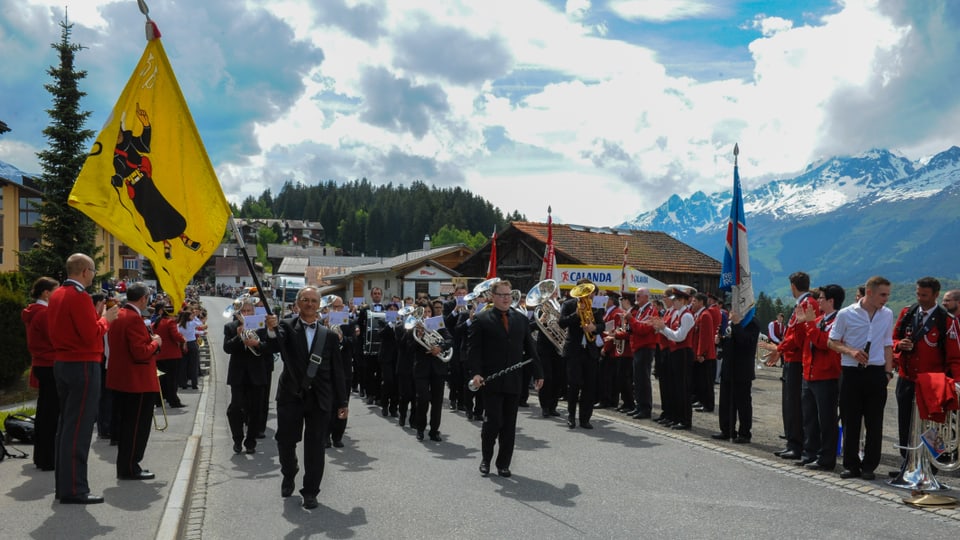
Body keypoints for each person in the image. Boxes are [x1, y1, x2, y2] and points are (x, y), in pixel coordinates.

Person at [47, 254, 119, 504]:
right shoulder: (78, 297)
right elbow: (91, 334)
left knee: (67, 426)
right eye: (93, 270)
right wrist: (106, 320)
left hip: (64, 363)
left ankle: (66, 486)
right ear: (85, 271)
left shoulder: (56, 294)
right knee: (79, 428)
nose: (94, 274)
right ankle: (75, 489)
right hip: (82, 364)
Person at [266, 287, 346, 509]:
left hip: (320, 399)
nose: (310, 304)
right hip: (290, 396)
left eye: (313, 300)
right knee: (285, 442)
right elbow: (272, 347)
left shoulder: (328, 335)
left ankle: (310, 491)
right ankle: (289, 472)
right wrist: (271, 330)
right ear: (298, 303)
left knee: (315, 448)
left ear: (319, 304)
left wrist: (343, 403)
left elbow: (337, 371)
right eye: (305, 300)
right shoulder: (285, 327)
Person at [469, 280, 543, 477]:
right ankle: (486, 459)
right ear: (493, 297)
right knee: (493, 423)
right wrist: (476, 373)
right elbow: (473, 351)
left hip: (514, 380)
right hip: (491, 380)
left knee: (509, 426)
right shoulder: (481, 318)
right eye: (502, 295)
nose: (506, 298)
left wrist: (539, 373)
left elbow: (530, 348)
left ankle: (503, 464)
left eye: (508, 295)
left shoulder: (520, 319)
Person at [888, 278, 960, 477]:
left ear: (936, 295)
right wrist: (898, 346)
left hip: (932, 383)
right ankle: (908, 463)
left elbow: (954, 357)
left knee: (932, 426)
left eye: (924, 295)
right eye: (918, 294)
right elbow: (893, 338)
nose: (920, 299)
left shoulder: (946, 320)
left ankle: (930, 467)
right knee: (905, 423)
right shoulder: (907, 313)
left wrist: (954, 384)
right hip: (907, 378)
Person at [828, 276, 895, 480]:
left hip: (876, 372)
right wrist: (851, 351)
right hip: (851, 372)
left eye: (887, 295)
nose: (886, 299)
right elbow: (832, 342)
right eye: (882, 294)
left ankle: (869, 466)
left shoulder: (887, 314)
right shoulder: (846, 314)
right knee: (851, 420)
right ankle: (851, 465)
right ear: (869, 293)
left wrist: (888, 372)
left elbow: (887, 344)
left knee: (875, 422)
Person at [106, 283, 163, 480]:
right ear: (143, 298)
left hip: (122, 379)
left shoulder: (119, 314)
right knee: (136, 427)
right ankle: (130, 467)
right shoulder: (133, 319)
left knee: (126, 426)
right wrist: (156, 342)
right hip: (137, 381)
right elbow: (140, 353)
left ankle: (127, 466)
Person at [769, 272, 820, 461]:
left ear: (793, 286)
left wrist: (779, 348)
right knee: (792, 403)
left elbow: (797, 338)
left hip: (797, 359)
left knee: (794, 404)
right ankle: (793, 442)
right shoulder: (806, 303)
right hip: (795, 358)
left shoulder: (806, 304)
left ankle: (796, 444)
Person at [795, 284, 844, 471]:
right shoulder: (819, 319)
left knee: (826, 420)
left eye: (822, 298)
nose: (819, 301)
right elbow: (807, 341)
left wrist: (808, 324)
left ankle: (826, 458)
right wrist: (803, 324)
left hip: (826, 376)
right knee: (810, 418)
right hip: (810, 373)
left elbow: (824, 343)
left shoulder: (837, 321)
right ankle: (810, 453)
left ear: (831, 301)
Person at [223, 296, 274, 454]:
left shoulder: (262, 326)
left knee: (255, 409)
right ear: (238, 313)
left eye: (248, 311)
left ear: (254, 312)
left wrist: (257, 344)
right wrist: (239, 337)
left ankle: (250, 441)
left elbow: (270, 347)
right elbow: (227, 348)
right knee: (235, 408)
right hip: (238, 374)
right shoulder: (231, 327)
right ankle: (237, 439)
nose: (246, 313)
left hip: (257, 374)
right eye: (243, 311)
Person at [22, 277, 60, 471]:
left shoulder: (34, 311)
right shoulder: (44, 314)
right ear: (46, 293)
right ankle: (48, 457)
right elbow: (56, 338)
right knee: (50, 414)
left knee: (45, 412)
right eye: (56, 290)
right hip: (50, 364)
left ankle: (42, 456)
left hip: (42, 364)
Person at [558, 278, 604, 429]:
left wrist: (594, 328)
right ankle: (571, 416)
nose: (587, 296)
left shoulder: (596, 306)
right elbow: (562, 322)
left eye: (588, 292)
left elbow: (602, 324)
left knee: (590, 386)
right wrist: (576, 315)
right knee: (574, 385)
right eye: (583, 291)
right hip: (574, 351)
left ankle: (585, 419)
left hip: (590, 351)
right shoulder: (568, 304)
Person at [713, 308, 760, 443]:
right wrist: (720, 341)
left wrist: (738, 324)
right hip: (728, 367)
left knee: (743, 403)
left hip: (742, 369)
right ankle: (726, 430)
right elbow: (729, 341)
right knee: (725, 401)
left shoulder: (752, 322)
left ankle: (744, 434)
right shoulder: (731, 322)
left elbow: (746, 342)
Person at [624, 288, 658, 419]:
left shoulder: (651, 310)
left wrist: (631, 319)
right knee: (638, 379)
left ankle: (645, 408)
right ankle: (639, 406)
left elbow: (643, 329)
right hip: (638, 347)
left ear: (646, 297)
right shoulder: (639, 310)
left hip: (645, 347)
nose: (636, 298)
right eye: (636, 295)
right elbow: (634, 328)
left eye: (638, 296)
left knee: (643, 379)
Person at [154, 304, 186, 409]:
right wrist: (183, 339)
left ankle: (159, 400)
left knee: (162, 379)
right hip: (171, 354)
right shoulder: (170, 322)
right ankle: (173, 400)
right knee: (172, 379)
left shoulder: (155, 323)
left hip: (159, 354)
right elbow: (175, 335)